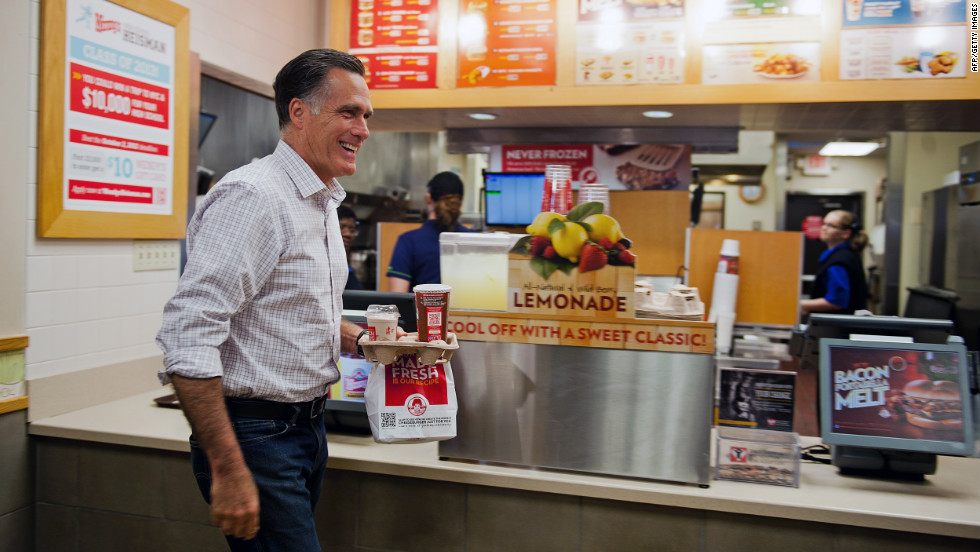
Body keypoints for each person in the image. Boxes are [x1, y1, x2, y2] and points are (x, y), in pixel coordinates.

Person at [156, 49, 377, 551]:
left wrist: (360, 339)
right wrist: (227, 467)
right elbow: (188, 334)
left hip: (305, 429)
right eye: (349, 112)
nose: (363, 129)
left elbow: (281, 311)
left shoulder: (322, 200)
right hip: (256, 437)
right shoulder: (255, 196)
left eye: (365, 115)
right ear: (299, 112)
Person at [386, 171, 475, 292]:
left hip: (421, 311)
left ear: (428, 198)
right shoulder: (474, 240)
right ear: (460, 203)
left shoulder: (409, 241)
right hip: (466, 311)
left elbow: (398, 296)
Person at [800, 209, 869, 317]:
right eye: (823, 223)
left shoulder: (839, 261)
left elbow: (836, 301)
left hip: (836, 329)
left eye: (831, 225)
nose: (824, 228)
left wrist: (799, 304)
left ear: (846, 233)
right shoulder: (844, 254)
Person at [337, 204, 364, 290]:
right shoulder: (320, 265)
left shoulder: (345, 266)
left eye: (352, 230)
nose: (348, 234)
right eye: (341, 227)